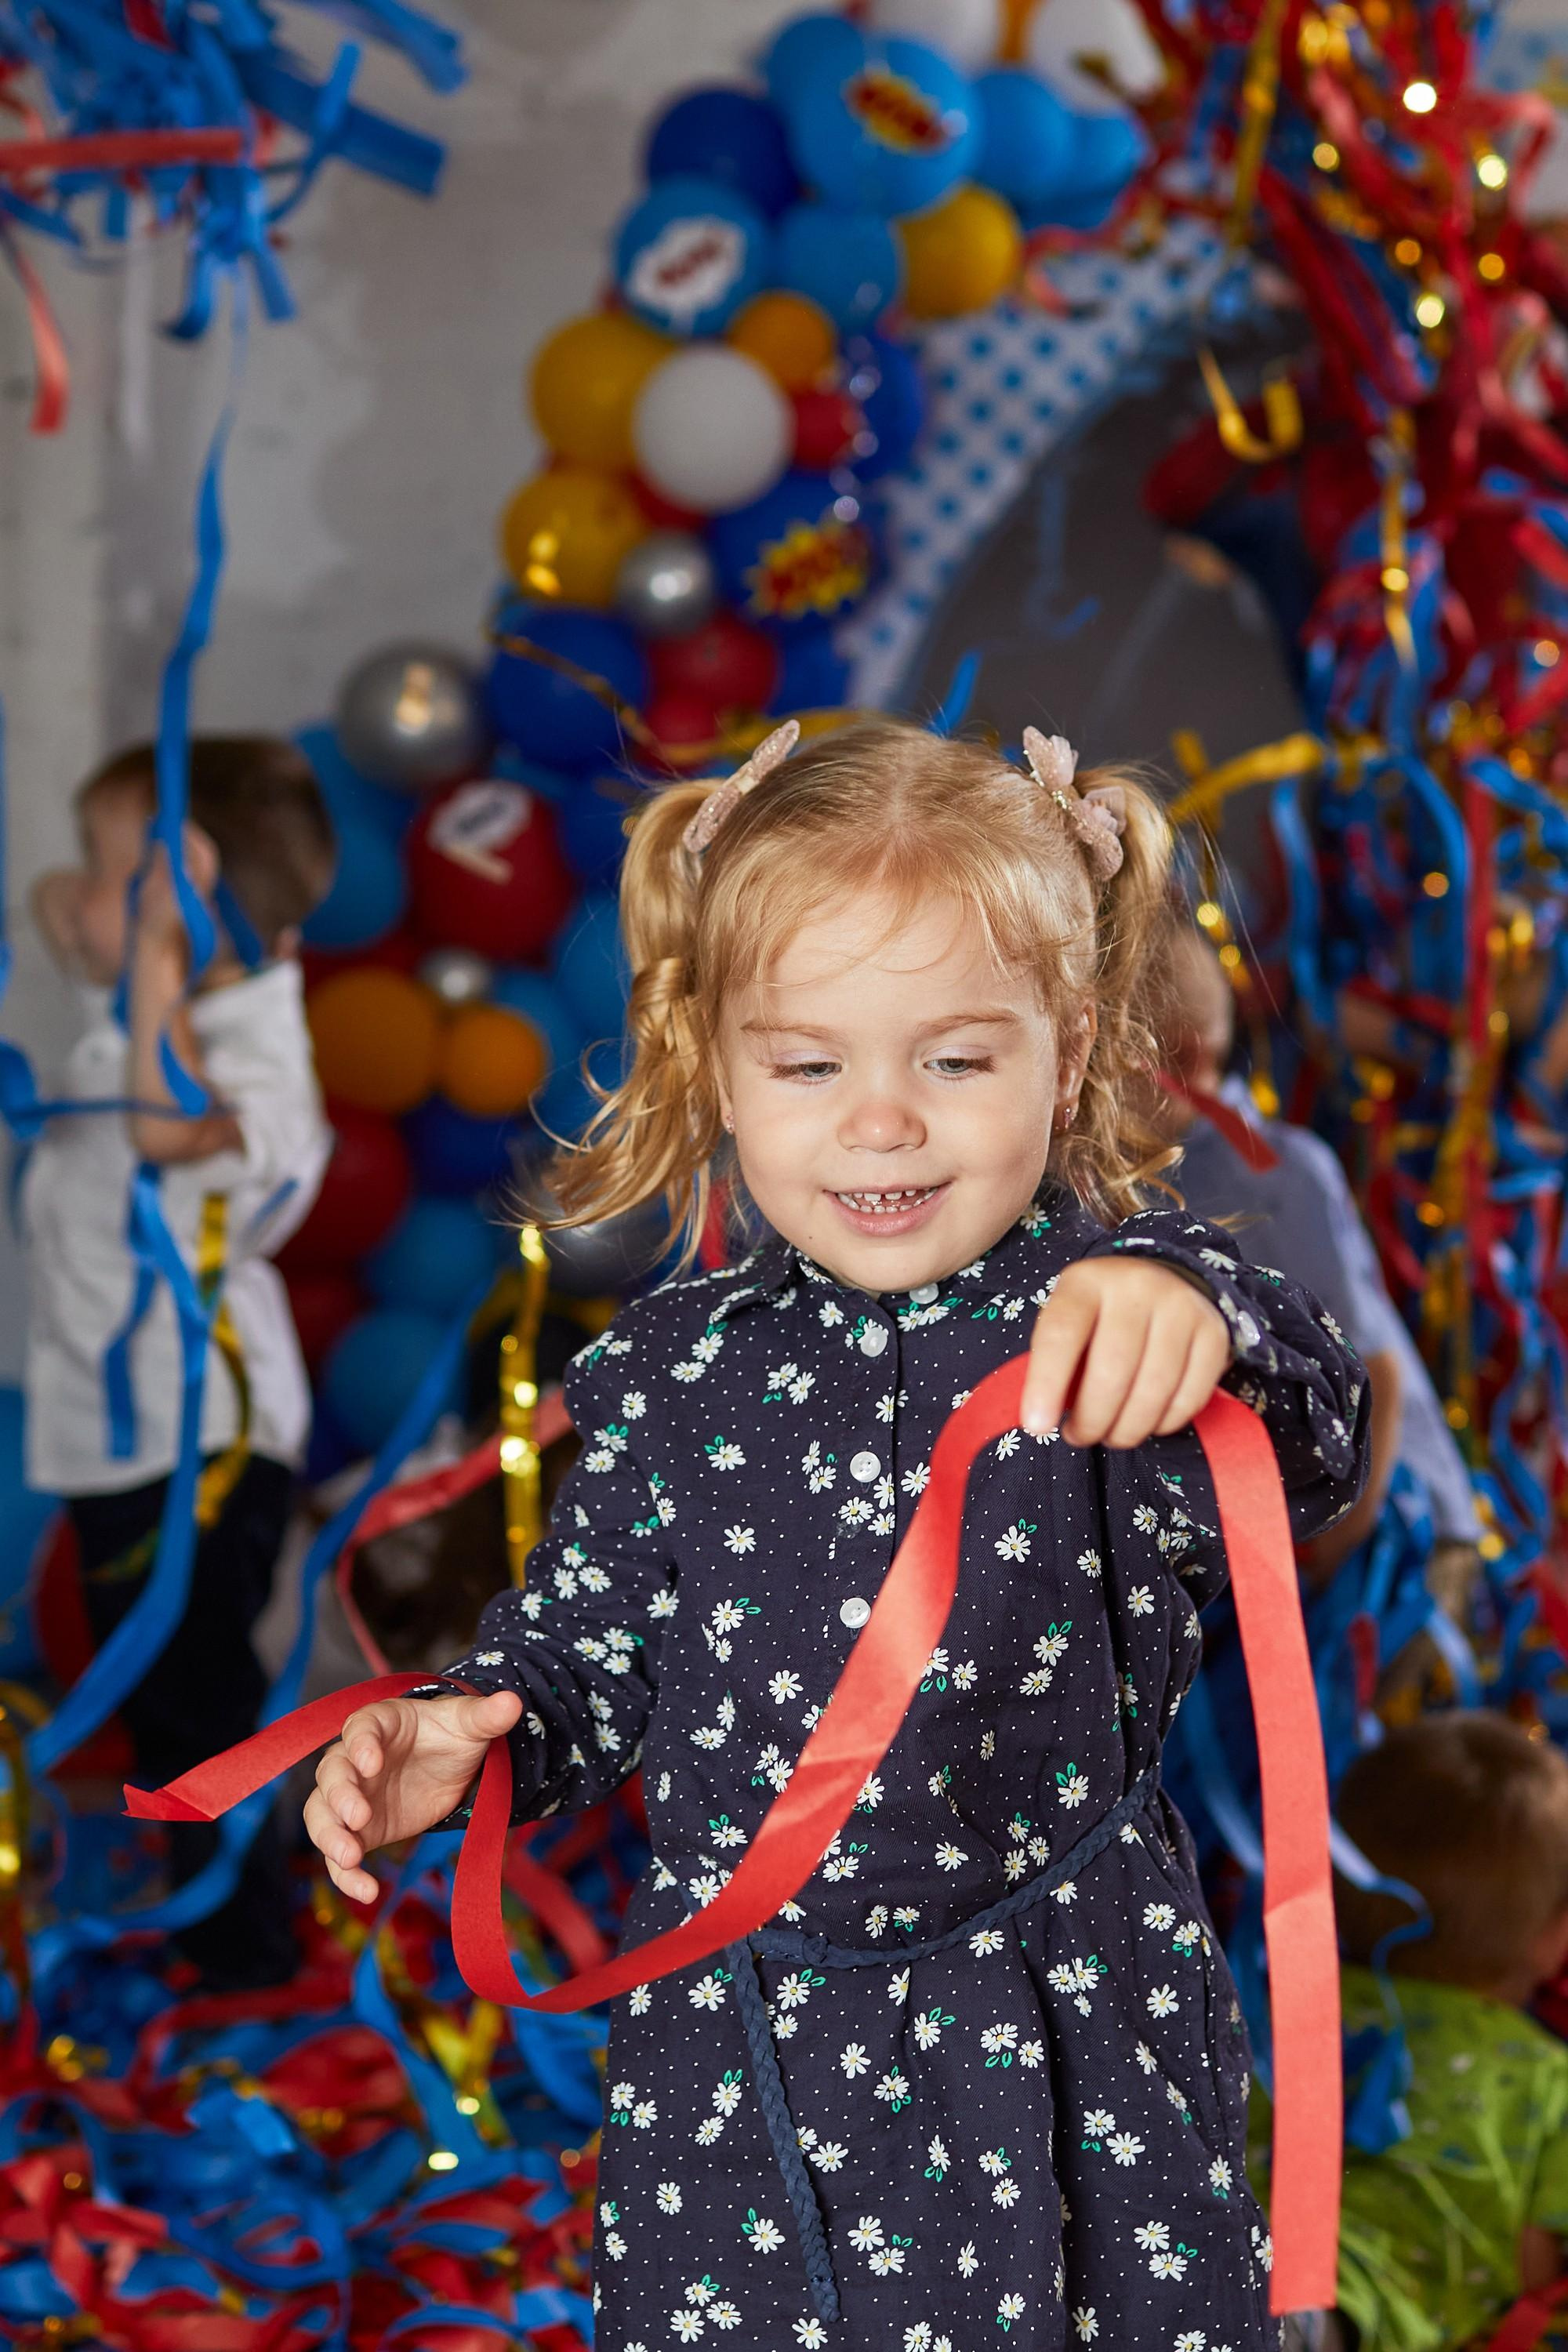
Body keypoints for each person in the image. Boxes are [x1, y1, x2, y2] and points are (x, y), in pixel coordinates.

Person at [307, 717, 1367, 2349]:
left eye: (954, 1059)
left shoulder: (1106, 1323)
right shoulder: (670, 1371)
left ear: (1067, 1053)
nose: (881, 1122)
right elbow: (586, 1650)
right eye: (809, 1063)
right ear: (716, 1063)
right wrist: (476, 1730)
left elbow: (1313, 1428)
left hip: (1063, 2017)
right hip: (745, 2056)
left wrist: (1194, 1307)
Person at [26, 736, 335, 1988]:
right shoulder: (166, 1014)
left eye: (107, 875)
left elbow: (166, 1130)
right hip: (128, 1432)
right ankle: (209, 1929)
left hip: (198, 1437)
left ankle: (248, 1963)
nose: (70, 898)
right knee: (161, 1701)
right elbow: (59, 920)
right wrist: (114, 915)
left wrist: (151, 945)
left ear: (179, 895)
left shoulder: (241, 1052)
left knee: (198, 1705)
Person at [1152, 923, 1481, 1603]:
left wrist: (1324, 1560)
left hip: (1394, 1533)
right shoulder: (1177, 1176)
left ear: (1179, 1056)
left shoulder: (1267, 1174)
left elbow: (1375, 1377)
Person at [1327, 1713, 1568, 2352]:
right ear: (1552, 1936)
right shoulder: (1548, 2076)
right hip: (1386, 2314)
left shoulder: (1284, 2012)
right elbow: (1535, 2263)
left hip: (1236, 2249)